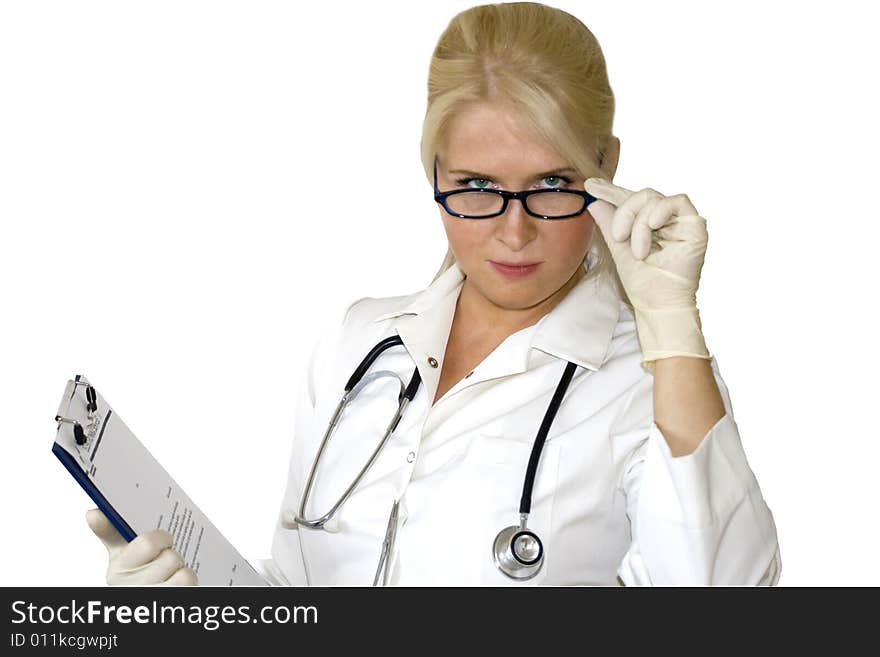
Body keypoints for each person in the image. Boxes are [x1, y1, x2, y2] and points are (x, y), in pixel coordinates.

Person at [87, 1, 781, 586]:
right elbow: (302, 587)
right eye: (478, 187)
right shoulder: (360, 344)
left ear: (608, 169)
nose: (515, 233)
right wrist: (189, 597)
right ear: (436, 172)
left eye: (550, 185)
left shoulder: (651, 380)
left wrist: (672, 325)